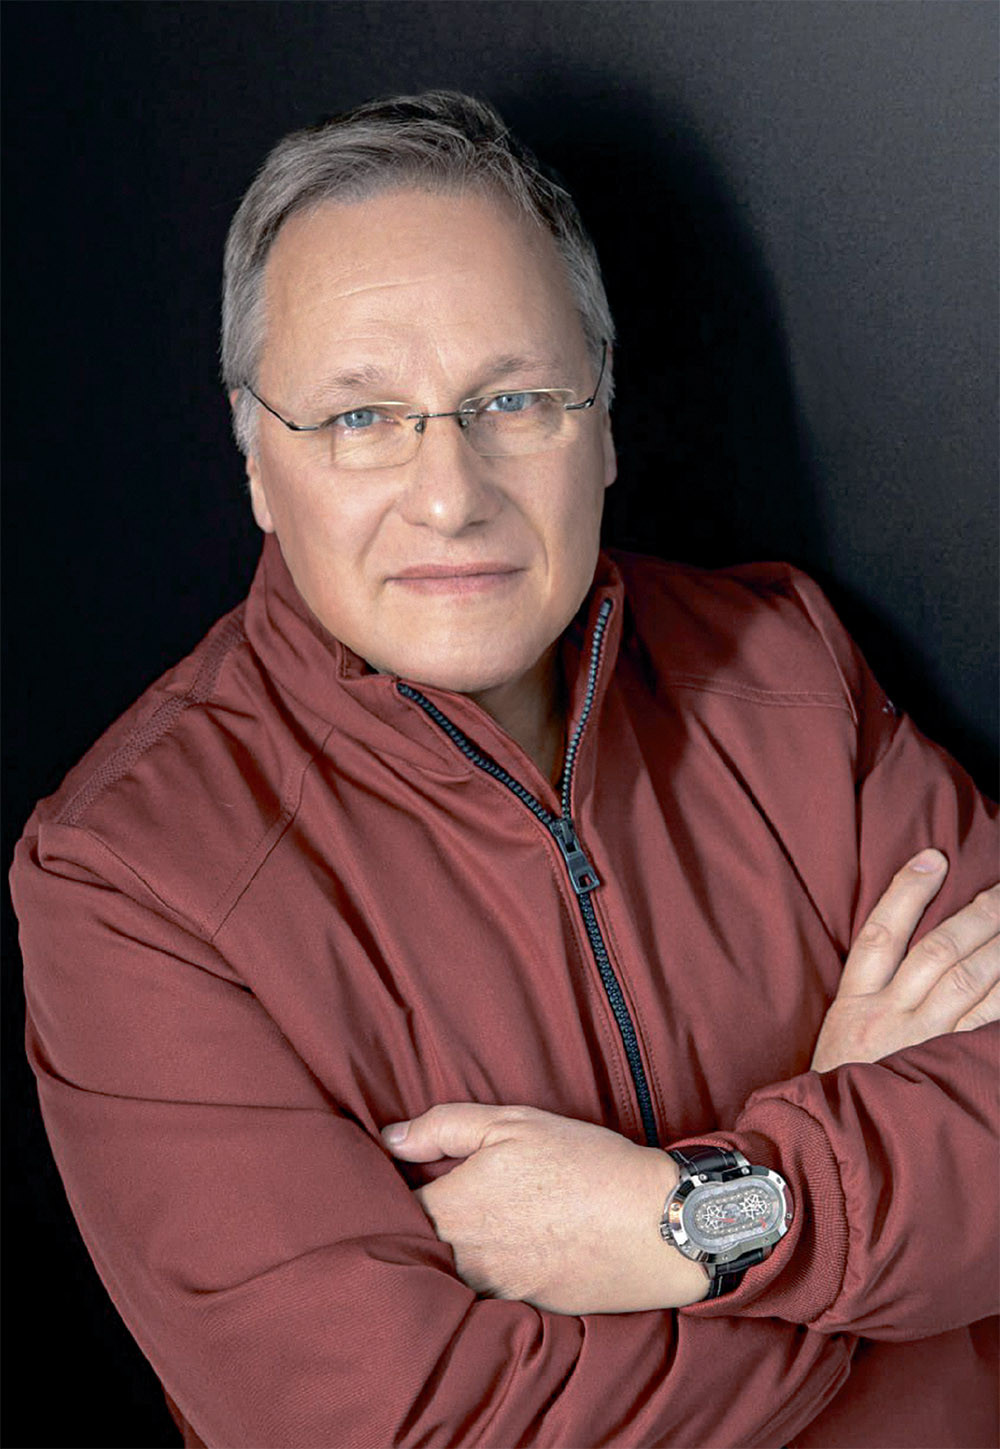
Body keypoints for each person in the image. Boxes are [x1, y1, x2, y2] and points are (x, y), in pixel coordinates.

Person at [11, 90, 998, 1449]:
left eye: (514, 399)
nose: (450, 491)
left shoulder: (785, 668)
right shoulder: (131, 881)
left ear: (604, 421)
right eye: (362, 417)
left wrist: (670, 1218)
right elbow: (421, 1431)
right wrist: (836, 1230)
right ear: (256, 464)